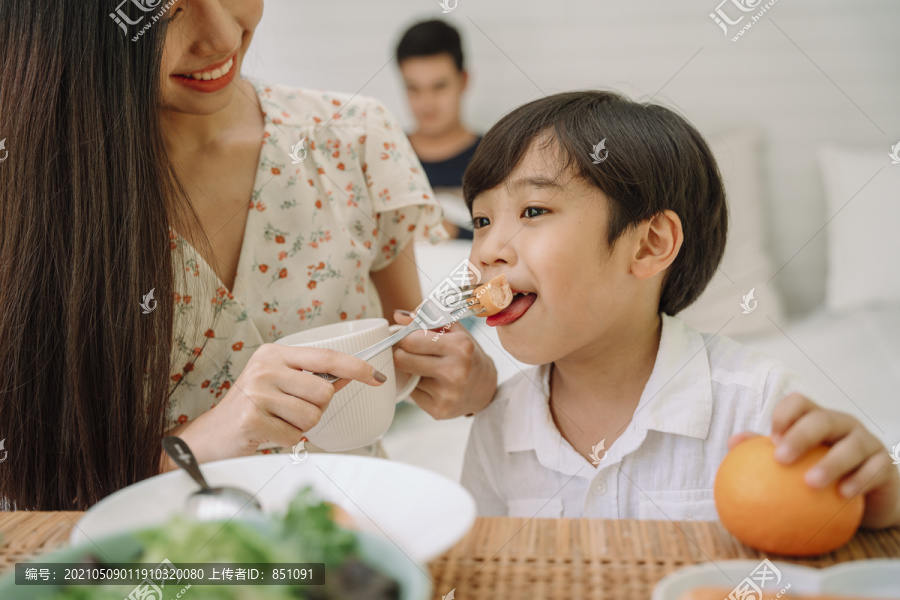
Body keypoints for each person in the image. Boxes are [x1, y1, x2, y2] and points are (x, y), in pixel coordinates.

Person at [0, 0, 497, 511]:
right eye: (166, 9)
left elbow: (407, 356)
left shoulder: (352, 137)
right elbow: (36, 486)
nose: (219, 38)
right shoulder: (28, 188)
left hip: (353, 550)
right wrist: (202, 444)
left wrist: (469, 384)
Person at [458, 91, 900, 529]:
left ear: (651, 244)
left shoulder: (760, 405)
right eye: (481, 222)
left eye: (532, 210)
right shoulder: (497, 424)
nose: (487, 251)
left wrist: (882, 515)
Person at [396, 19, 480, 240]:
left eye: (439, 86)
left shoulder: (497, 158)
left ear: (463, 81)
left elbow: (513, 239)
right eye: (414, 88)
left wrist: (453, 232)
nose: (427, 103)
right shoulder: (385, 157)